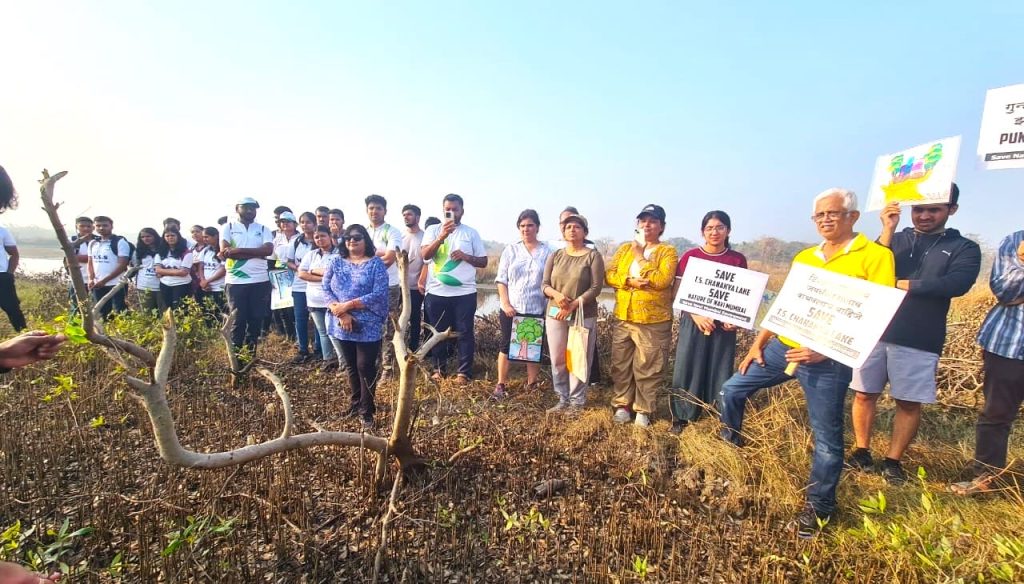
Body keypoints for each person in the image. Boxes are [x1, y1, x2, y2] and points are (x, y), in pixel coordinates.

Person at [719, 188, 894, 538]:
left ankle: (819, 508)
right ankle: (730, 445)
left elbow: (876, 317)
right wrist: (758, 344)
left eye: (833, 213)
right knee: (731, 390)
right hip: (782, 348)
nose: (826, 220)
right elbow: (784, 307)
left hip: (827, 362)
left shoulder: (875, 256)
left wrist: (825, 351)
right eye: (820, 216)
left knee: (827, 438)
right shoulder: (806, 258)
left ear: (853, 217)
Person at [849, 184, 981, 484]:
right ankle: (861, 450)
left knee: (908, 402)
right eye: (919, 209)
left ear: (952, 210)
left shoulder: (964, 248)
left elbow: (956, 284)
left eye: (933, 209)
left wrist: (902, 285)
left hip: (920, 336)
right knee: (863, 393)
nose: (924, 216)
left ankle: (893, 461)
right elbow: (868, 269)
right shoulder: (895, 238)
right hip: (875, 331)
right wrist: (887, 228)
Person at [949, 230, 1024, 496]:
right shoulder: (1016, 240)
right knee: (996, 414)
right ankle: (985, 479)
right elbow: (1005, 290)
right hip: (1009, 344)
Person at [667, 211, 748, 434]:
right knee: (688, 366)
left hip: (724, 326)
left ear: (728, 231)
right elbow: (678, 291)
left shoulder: (737, 259)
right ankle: (683, 414)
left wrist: (735, 320)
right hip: (693, 321)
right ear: (702, 232)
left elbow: (741, 296)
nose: (714, 232)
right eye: (710, 228)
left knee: (720, 366)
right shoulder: (690, 256)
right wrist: (696, 315)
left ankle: (716, 412)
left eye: (720, 227)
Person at [605, 204, 678, 427]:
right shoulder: (625, 248)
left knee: (649, 365)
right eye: (643, 221)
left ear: (661, 227)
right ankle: (622, 405)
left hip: (653, 321)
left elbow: (662, 280)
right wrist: (629, 281)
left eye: (653, 221)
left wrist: (641, 257)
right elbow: (610, 274)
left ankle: (644, 410)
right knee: (621, 364)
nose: (647, 225)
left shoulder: (667, 252)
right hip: (624, 316)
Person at [324, 224, 389, 430]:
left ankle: (367, 411)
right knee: (351, 365)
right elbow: (325, 287)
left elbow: (379, 294)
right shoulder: (336, 261)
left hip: (368, 323)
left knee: (365, 367)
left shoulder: (375, 264)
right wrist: (342, 312)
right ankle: (355, 404)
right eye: (348, 237)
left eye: (357, 237)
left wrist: (348, 305)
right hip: (342, 321)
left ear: (365, 240)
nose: (352, 241)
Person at [420, 194, 487, 383]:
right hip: (436, 292)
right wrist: (442, 237)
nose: (451, 212)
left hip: (464, 293)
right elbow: (425, 255)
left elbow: (483, 261)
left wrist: (466, 256)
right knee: (437, 333)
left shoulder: (471, 233)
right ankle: (439, 370)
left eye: (455, 209)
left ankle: (463, 373)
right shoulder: (433, 230)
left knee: (465, 333)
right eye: (447, 209)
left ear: (462, 211)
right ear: (443, 211)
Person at [542, 213, 604, 411]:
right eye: (568, 227)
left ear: (585, 232)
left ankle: (577, 401)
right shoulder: (556, 255)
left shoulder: (592, 256)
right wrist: (557, 296)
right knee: (558, 358)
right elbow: (544, 284)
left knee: (578, 357)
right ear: (563, 231)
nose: (572, 230)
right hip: (555, 312)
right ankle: (562, 398)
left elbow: (596, 287)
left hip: (582, 313)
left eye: (577, 227)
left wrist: (574, 304)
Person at [493, 209, 553, 399]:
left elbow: (551, 281)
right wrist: (506, 303)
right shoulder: (511, 250)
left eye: (530, 225)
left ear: (537, 227)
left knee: (533, 348)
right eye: (522, 226)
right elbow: (501, 280)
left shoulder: (548, 252)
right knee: (505, 346)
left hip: (536, 307)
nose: (526, 229)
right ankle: (501, 384)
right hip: (512, 308)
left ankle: (532, 384)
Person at [220, 197, 274, 358]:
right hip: (236, 282)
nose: (250, 210)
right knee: (238, 321)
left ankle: (250, 356)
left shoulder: (264, 229)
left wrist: (238, 251)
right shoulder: (227, 227)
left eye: (253, 208)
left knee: (256, 320)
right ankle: (236, 357)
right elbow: (226, 252)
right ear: (237, 208)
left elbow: (268, 251)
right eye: (246, 207)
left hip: (260, 281)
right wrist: (254, 252)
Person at [365, 195, 404, 379]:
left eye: (378, 208)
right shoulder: (361, 232)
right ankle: (372, 366)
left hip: (388, 287)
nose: (374, 211)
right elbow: (351, 257)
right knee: (369, 326)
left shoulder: (392, 232)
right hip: (365, 289)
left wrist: (365, 266)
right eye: (371, 208)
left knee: (388, 328)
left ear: (385, 211)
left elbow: (389, 258)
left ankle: (388, 370)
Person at [298, 226, 344, 370]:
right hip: (313, 300)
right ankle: (328, 359)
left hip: (333, 300)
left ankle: (344, 363)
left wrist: (313, 272)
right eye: (317, 237)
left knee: (335, 332)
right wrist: (323, 277)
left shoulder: (339, 254)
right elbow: (301, 274)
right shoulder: (311, 254)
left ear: (330, 236)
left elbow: (336, 274)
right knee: (323, 332)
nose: (319, 239)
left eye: (323, 236)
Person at [286, 212, 318, 363]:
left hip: (317, 286)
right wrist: (298, 269)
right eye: (302, 222)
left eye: (308, 222)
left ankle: (319, 350)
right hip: (299, 286)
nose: (305, 225)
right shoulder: (296, 241)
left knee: (319, 320)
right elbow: (289, 261)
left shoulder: (320, 239)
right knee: (300, 319)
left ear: (315, 223)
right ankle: (303, 349)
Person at [87, 216, 131, 319]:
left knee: (120, 312)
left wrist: (105, 280)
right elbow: (90, 263)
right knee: (102, 313)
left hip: (117, 284)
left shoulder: (120, 242)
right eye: (98, 226)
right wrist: (90, 279)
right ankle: (104, 334)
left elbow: (122, 265)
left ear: (111, 226)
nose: (101, 228)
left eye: (105, 225)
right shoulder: (93, 243)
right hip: (98, 284)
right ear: (94, 227)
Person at [270, 211, 299, 342]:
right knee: (283, 308)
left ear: (295, 224)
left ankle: (300, 336)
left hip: (298, 275)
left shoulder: (300, 238)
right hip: (280, 276)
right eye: (282, 222)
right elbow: (271, 260)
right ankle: (290, 336)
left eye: (288, 221)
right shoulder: (276, 240)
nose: (285, 224)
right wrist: (270, 277)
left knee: (296, 308)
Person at [401, 204, 426, 350]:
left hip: (416, 286)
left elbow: (427, 262)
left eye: (409, 214)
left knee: (415, 318)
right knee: (397, 318)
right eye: (404, 215)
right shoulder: (399, 236)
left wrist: (421, 281)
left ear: (417, 217)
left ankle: (413, 348)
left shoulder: (425, 237)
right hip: (399, 285)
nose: (406, 217)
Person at [154, 228, 194, 310]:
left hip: (182, 285)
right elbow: (157, 270)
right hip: (165, 285)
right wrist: (177, 271)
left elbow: (184, 272)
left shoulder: (186, 252)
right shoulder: (160, 252)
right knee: (169, 311)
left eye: (172, 235)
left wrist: (163, 271)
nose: (170, 238)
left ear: (178, 236)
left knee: (181, 311)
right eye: (167, 236)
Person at [0, 220, 26, 332]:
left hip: (2, 277)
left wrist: (9, 274)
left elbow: (14, 254)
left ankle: (25, 337)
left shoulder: (3, 231)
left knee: (13, 309)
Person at [195, 227, 226, 317]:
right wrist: (203, 281)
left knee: (221, 314)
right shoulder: (205, 250)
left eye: (207, 237)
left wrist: (207, 281)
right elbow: (201, 267)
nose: (204, 239)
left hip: (220, 288)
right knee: (208, 315)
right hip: (207, 288)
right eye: (203, 237)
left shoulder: (222, 251)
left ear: (216, 236)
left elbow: (224, 270)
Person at [134, 228, 163, 312]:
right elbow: (135, 267)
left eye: (148, 236)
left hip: (161, 286)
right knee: (147, 314)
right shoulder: (138, 251)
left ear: (155, 236)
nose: (145, 239)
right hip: (144, 286)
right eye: (142, 237)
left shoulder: (163, 249)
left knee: (165, 314)